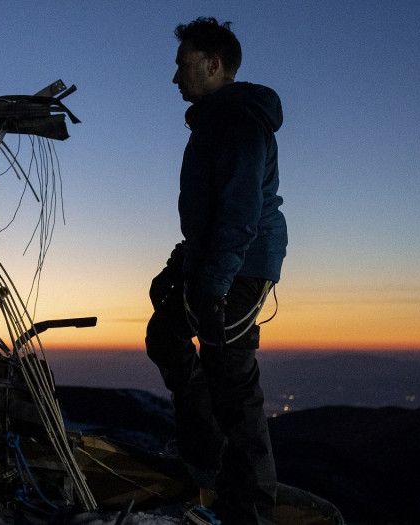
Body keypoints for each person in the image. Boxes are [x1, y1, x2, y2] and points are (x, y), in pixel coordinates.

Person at [146, 16, 287, 525]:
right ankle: (205, 458)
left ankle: (249, 510)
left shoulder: (237, 122)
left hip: (239, 268)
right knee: (166, 335)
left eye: (183, 65)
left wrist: (213, 288)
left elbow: (239, 214)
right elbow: (210, 214)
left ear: (214, 64)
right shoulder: (214, 119)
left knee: (233, 381)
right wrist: (180, 265)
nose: (176, 76)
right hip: (214, 261)